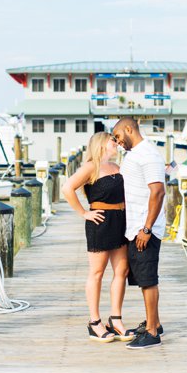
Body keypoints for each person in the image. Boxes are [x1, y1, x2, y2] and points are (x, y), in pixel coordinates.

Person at [61, 131, 135, 343]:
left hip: (121, 220)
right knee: (97, 272)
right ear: (102, 143)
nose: (117, 144)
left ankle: (116, 319)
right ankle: (95, 323)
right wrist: (84, 213)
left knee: (122, 270)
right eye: (114, 141)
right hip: (100, 222)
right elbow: (67, 188)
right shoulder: (91, 166)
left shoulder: (117, 167)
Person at [112, 117, 167, 350]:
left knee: (148, 281)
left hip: (145, 230)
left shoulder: (148, 154)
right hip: (134, 228)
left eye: (117, 136)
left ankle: (153, 333)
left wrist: (146, 229)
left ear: (128, 129)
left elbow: (158, 192)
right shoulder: (134, 154)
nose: (117, 141)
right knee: (143, 279)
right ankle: (154, 322)